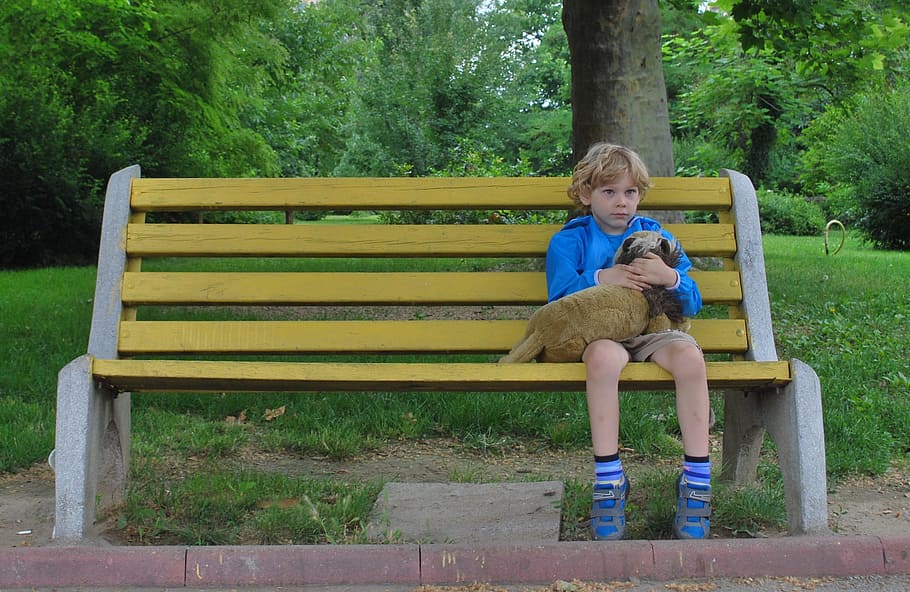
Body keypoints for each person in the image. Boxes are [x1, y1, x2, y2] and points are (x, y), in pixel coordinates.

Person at [546, 142, 712, 541]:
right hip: (602, 336)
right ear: (586, 194)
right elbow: (559, 301)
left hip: (654, 331)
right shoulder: (570, 241)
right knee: (602, 359)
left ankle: (697, 482)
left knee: (690, 358)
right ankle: (609, 482)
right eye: (609, 192)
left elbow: (693, 299)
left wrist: (668, 278)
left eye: (630, 192)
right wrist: (604, 278)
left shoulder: (657, 238)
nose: (622, 202)